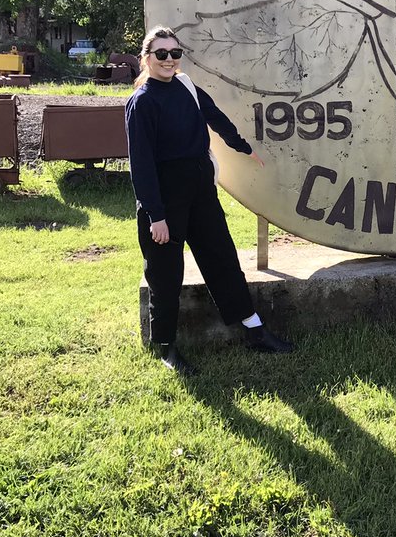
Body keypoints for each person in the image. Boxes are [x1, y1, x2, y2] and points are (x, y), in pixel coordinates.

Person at [125, 26, 295, 376]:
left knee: (223, 260)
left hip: (201, 192)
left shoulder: (186, 87)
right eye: (161, 54)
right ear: (146, 58)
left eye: (175, 53)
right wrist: (155, 215)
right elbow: (140, 164)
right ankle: (166, 348)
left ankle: (254, 330)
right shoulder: (142, 102)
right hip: (165, 199)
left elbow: (215, 117)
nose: (169, 60)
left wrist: (242, 147)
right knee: (165, 275)